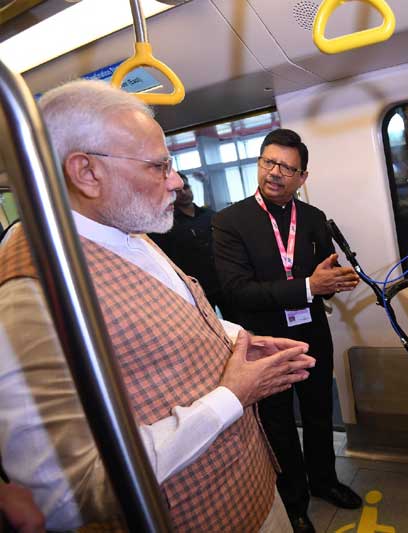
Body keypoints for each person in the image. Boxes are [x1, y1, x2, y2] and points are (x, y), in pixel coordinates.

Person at [0, 80, 316, 532]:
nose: (177, 181)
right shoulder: (30, 293)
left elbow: (167, 315)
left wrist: (237, 339)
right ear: (86, 172)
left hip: (253, 494)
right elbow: (66, 497)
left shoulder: (127, 229)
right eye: (158, 166)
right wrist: (230, 398)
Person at [213, 128, 361, 533]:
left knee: (319, 413)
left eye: (286, 168)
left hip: (312, 333)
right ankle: (294, 500)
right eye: (269, 162)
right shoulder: (229, 222)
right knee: (279, 423)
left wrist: (332, 281)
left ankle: (324, 481)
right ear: (260, 163)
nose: (275, 172)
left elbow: (323, 271)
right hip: (265, 342)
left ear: (302, 177)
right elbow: (237, 291)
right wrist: (310, 285)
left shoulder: (313, 219)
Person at [149, 171, 227, 314]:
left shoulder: (209, 215)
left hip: (223, 283)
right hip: (194, 289)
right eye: (178, 191)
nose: (184, 193)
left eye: (186, 187)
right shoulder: (165, 224)